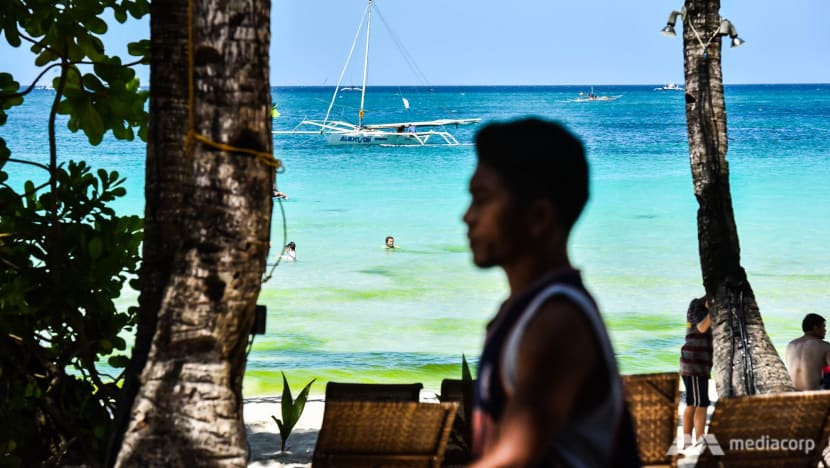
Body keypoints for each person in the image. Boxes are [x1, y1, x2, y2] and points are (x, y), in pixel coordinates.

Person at [463, 117, 639, 467]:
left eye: (482, 200)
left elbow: (514, 457)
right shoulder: (521, 313)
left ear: (539, 218)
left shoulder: (555, 322)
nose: (467, 216)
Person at [678, 295, 712, 450]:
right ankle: (698, 441)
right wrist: (713, 311)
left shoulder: (698, 305)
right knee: (701, 403)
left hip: (695, 363)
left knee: (693, 402)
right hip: (695, 364)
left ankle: (688, 442)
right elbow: (701, 327)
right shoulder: (698, 305)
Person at [785, 313, 830, 390]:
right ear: (815, 328)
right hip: (815, 395)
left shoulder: (791, 345)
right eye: (823, 326)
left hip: (793, 394)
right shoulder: (825, 346)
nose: (825, 330)